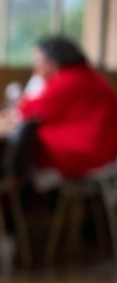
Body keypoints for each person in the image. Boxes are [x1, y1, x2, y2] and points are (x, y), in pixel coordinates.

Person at [16, 36, 117, 190]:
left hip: (91, 153)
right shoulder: (86, 75)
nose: (36, 67)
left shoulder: (68, 80)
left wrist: (36, 80)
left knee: (25, 146)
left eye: (39, 61)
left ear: (53, 60)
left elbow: (29, 110)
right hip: (104, 149)